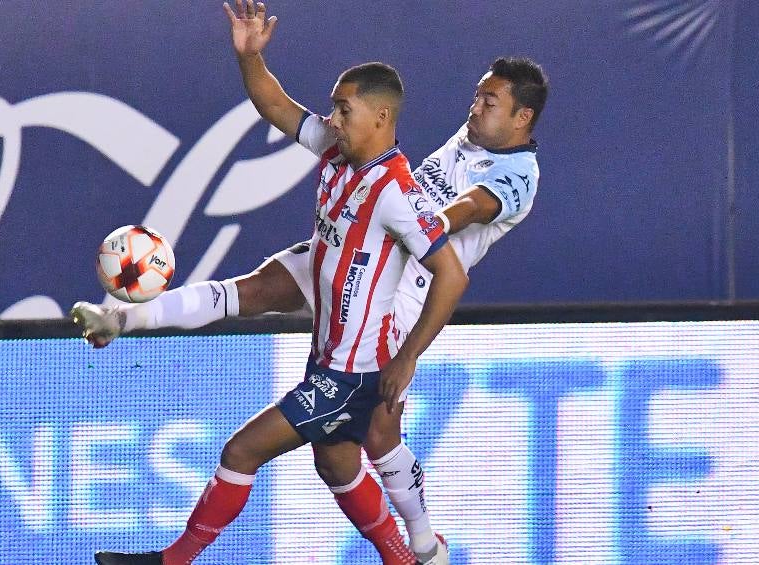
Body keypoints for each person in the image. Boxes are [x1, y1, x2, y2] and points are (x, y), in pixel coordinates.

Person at [77, 53, 548, 565]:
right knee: (332, 451)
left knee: (368, 436)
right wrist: (249, 55)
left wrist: (411, 222)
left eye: (489, 101)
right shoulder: (366, 147)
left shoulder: (512, 175)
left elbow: (466, 214)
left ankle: (422, 545)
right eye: (478, 96)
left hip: (391, 301)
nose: (475, 107)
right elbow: (278, 106)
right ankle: (121, 318)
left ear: (522, 117)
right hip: (346, 259)